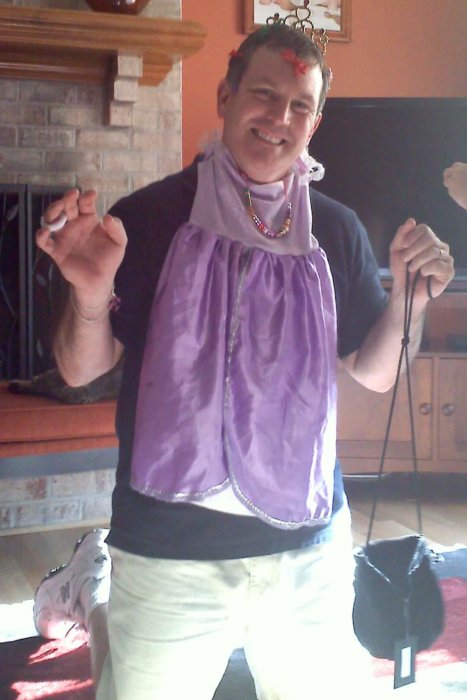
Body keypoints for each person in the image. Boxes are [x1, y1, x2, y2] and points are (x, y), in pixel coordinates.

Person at [32, 21, 454, 700]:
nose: (279, 118)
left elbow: (374, 372)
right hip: (168, 546)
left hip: (308, 549)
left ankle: (90, 587)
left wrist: (408, 300)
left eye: (299, 106)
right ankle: (95, 589)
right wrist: (88, 296)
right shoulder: (147, 218)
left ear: (314, 123)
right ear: (226, 96)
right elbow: (80, 370)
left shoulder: (337, 230)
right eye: (264, 93)